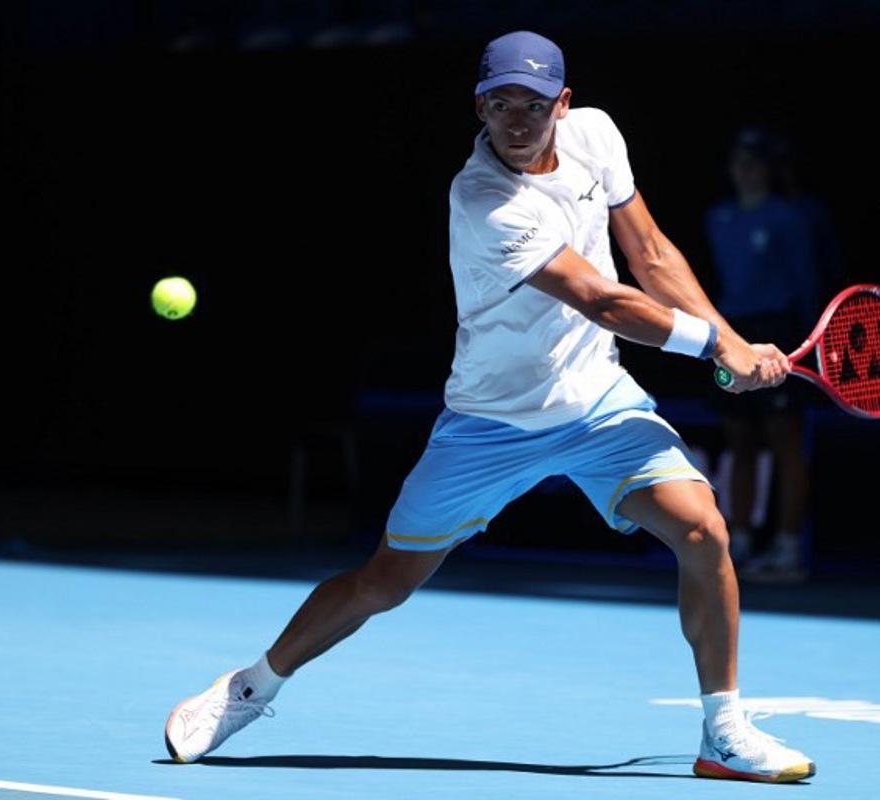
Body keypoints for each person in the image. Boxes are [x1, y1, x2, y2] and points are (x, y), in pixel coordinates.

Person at [164, 31, 815, 784]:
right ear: (479, 105)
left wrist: (731, 341)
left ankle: (724, 732)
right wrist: (716, 350)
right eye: (500, 103)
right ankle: (251, 687)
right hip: (490, 424)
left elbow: (653, 255)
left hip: (598, 403)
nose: (515, 119)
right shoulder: (481, 197)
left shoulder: (596, 136)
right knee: (384, 581)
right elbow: (602, 299)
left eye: (533, 105)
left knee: (704, 529)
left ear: (563, 106)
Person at [704, 128, 816, 582]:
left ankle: (788, 549)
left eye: (753, 161)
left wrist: (804, 339)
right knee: (740, 443)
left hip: (781, 332)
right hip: (734, 335)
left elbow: (805, 281)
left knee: (785, 442)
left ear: (767, 168)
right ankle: (743, 541)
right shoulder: (718, 218)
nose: (743, 169)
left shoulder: (789, 218)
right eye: (738, 160)